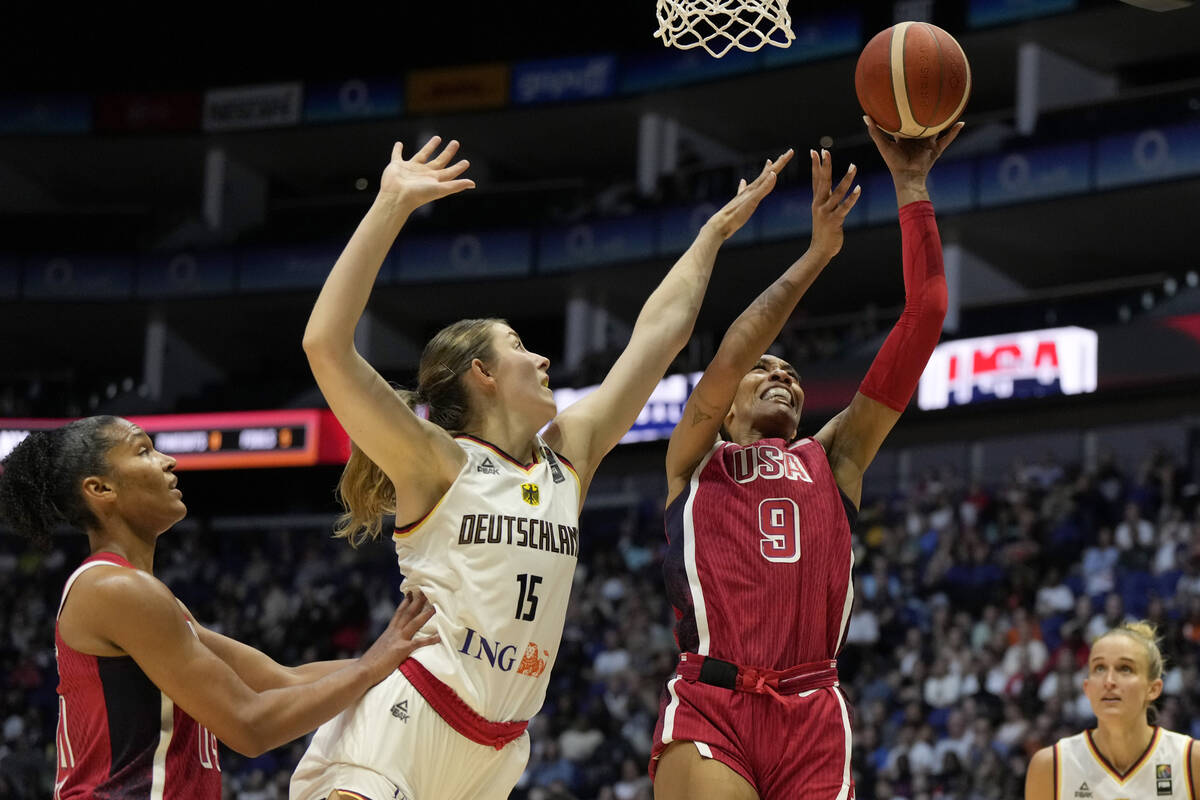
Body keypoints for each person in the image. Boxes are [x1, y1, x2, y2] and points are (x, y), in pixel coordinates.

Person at [291, 136, 791, 800]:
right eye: (520, 347)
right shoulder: (435, 459)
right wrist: (390, 204)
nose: (543, 360)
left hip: (499, 749)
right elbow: (324, 343)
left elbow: (659, 336)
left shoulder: (568, 459)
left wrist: (713, 232)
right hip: (409, 719)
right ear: (483, 374)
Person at [650, 115, 963, 800]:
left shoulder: (835, 461)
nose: (783, 376)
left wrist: (911, 185)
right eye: (767, 371)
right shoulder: (694, 460)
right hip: (714, 702)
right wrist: (820, 253)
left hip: (813, 708)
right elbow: (733, 348)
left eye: (792, 374)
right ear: (727, 409)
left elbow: (927, 314)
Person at [0, 416, 437, 799]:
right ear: (100, 489)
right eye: (144, 451)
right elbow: (250, 726)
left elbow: (279, 681)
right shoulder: (114, 589)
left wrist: (408, 661)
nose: (168, 461)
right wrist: (371, 668)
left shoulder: (147, 596)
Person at [1025, 621, 1199, 799]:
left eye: (1125, 668)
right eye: (1099, 668)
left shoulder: (1191, 760)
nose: (1109, 681)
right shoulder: (1051, 765)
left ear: (1152, 689)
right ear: (1088, 688)